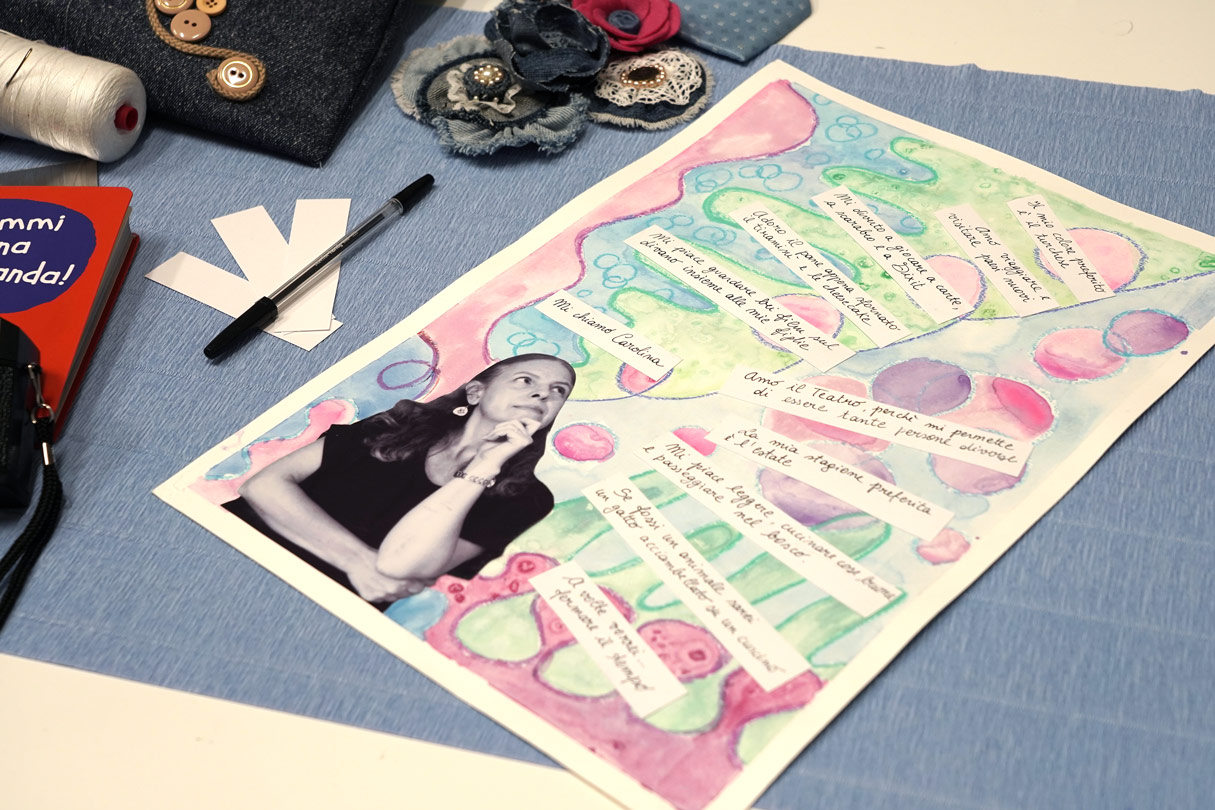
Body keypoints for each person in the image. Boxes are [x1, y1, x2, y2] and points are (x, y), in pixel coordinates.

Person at [222, 354, 576, 608]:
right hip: (233, 547)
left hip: (326, 606)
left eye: (558, 390)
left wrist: (487, 464)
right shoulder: (399, 423)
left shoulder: (527, 498)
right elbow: (262, 486)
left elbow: (400, 566)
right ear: (475, 393)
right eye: (526, 380)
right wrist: (356, 561)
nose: (543, 394)